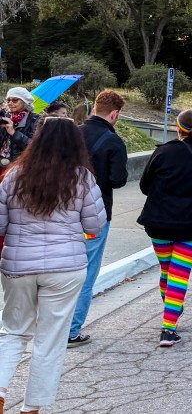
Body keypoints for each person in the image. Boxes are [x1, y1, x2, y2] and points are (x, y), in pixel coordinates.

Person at [0, 118, 104, 414]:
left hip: (18, 266)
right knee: (50, 338)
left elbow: (0, 224)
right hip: (65, 268)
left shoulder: (14, 174)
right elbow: (94, 223)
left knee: (13, 331)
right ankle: (31, 408)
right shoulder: (81, 177)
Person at [137, 109, 192, 346]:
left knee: (166, 272)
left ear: (177, 128)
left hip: (159, 222)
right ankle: (168, 328)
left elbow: (145, 186)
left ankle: (172, 310)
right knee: (179, 274)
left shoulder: (162, 152)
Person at [68, 90, 128, 347]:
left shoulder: (72, 134)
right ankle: (71, 331)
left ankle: (50, 324)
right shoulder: (114, 142)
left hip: (63, 211)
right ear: (114, 114)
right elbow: (118, 179)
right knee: (87, 269)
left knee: (61, 268)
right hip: (96, 214)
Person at [0, 87, 39, 169]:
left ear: (25, 102)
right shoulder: (6, 117)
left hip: (21, 167)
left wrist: (14, 133)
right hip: (2, 165)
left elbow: (36, 147)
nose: (10, 103)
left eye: (15, 100)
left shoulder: (35, 120)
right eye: (8, 100)